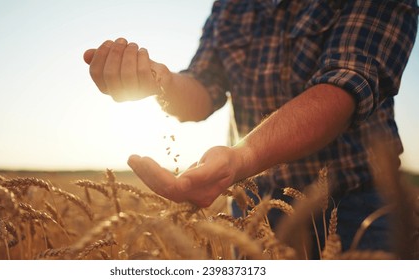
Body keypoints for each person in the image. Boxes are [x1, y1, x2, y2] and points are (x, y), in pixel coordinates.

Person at [83, 0, 418, 257]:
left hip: (359, 208)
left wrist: (239, 159)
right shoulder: (230, 5)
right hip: (253, 212)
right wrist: (160, 81)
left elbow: (343, 87)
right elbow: (203, 87)